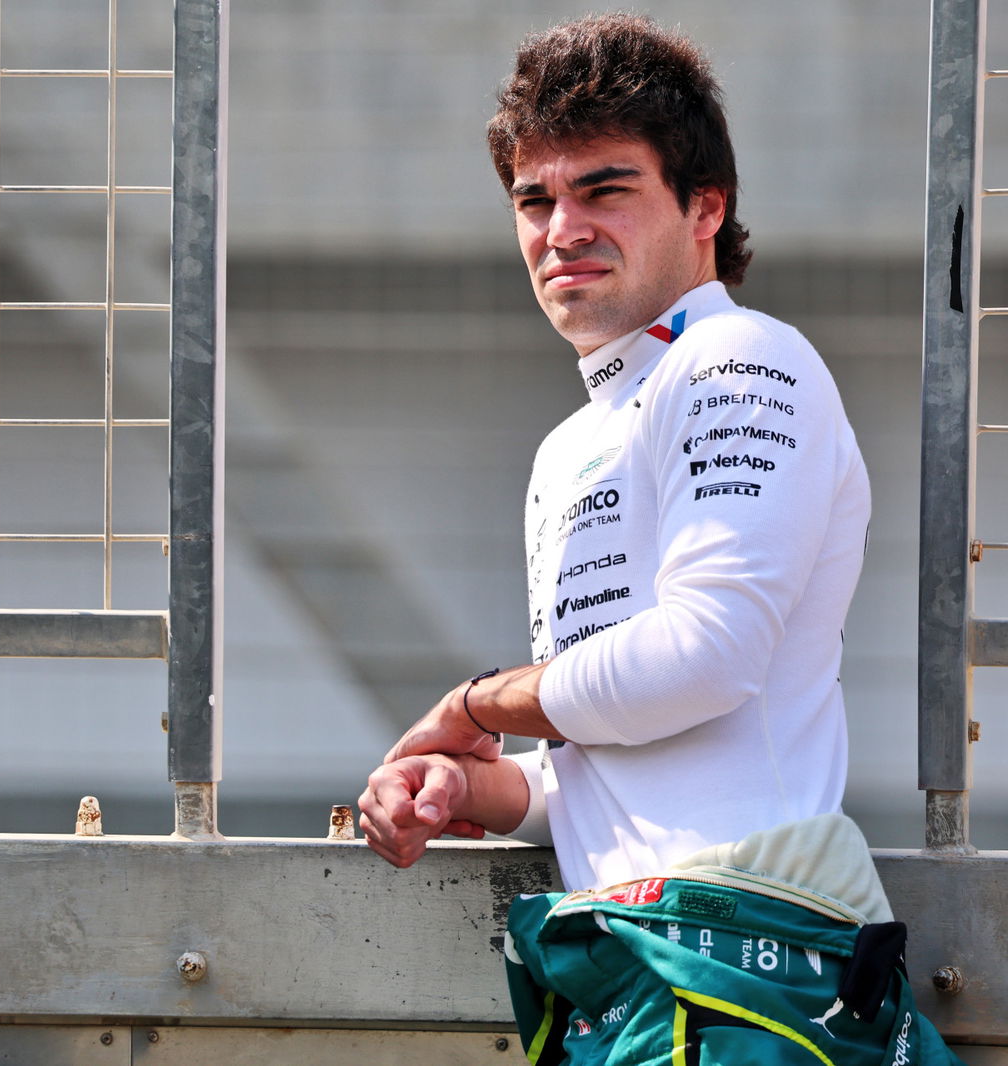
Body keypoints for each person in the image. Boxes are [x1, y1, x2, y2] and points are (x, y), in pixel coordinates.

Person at [358, 14, 961, 1064]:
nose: (561, 228)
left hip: (744, 962)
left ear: (704, 207)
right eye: (534, 200)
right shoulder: (567, 449)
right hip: (630, 972)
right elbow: (611, 754)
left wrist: (472, 703)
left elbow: (706, 656)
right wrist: (478, 787)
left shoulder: (741, 358)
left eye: (604, 189)